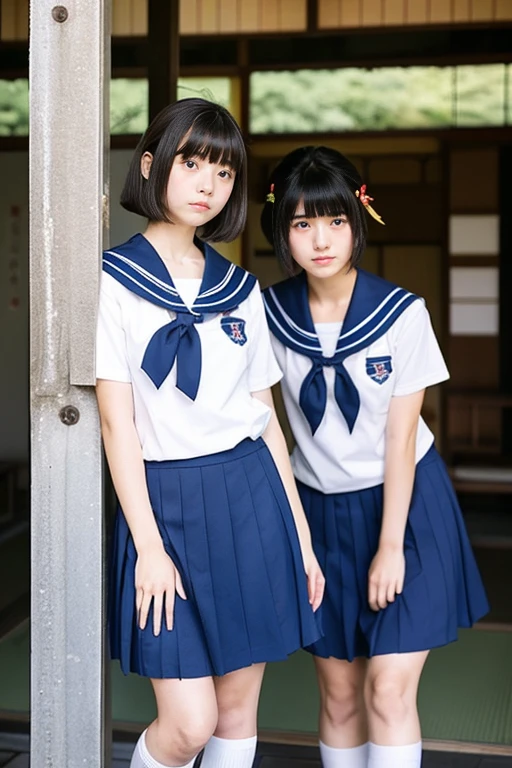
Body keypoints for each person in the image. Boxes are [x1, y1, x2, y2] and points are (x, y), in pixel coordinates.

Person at [95, 100, 324, 768]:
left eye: (223, 172)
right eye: (191, 163)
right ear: (150, 167)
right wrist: (148, 548)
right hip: (162, 506)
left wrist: (302, 540)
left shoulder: (241, 291)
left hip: (251, 498)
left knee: (234, 712)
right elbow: (116, 422)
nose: (206, 184)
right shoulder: (115, 282)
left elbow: (266, 421)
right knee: (188, 723)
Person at [260, 145, 489, 768]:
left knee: (387, 689)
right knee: (338, 696)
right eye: (303, 224)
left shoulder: (402, 314)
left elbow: (400, 437)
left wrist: (390, 546)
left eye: (335, 221)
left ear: (359, 221)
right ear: (282, 231)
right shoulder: (265, 314)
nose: (321, 240)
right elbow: (263, 422)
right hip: (321, 514)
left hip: (407, 509)